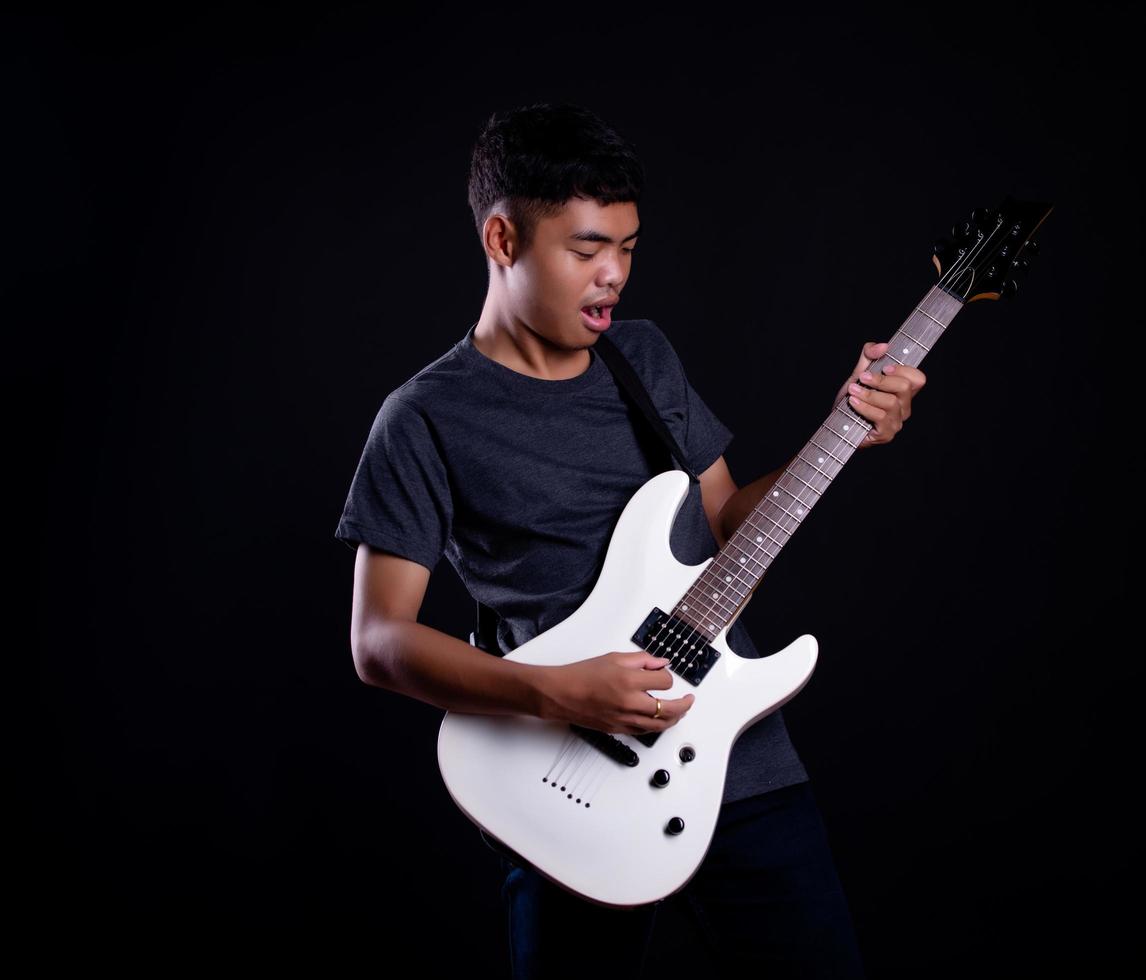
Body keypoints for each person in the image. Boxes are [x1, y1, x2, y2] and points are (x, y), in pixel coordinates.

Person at [334, 102, 925, 979]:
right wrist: (558, 694)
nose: (613, 275)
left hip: (737, 763)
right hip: (565, 787)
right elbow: (379, 643)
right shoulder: (423, 417)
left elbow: (727, 530)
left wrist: (842, 432)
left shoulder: (643, 360)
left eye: (628, 247)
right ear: (502, 239)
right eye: (584, 250)